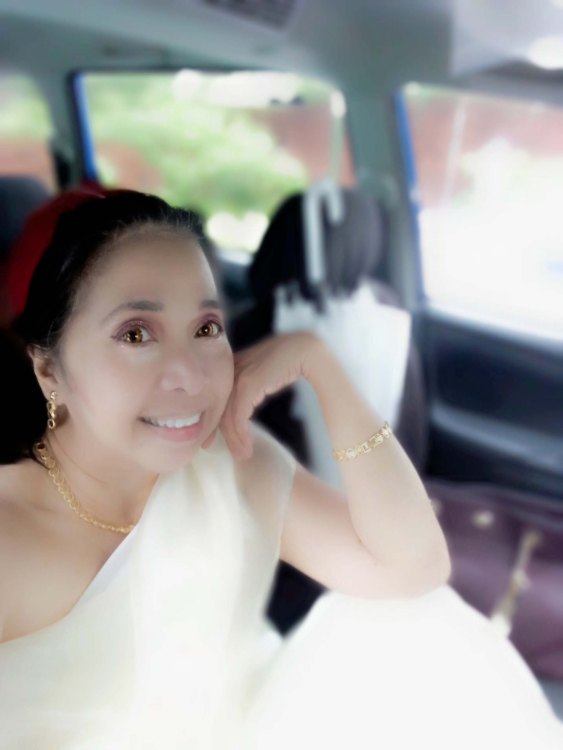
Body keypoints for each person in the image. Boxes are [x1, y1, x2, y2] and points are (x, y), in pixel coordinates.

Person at [0, 188, 561, 750]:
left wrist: (321, 365)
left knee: (419, 632)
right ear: (49, 371)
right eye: (136, 334)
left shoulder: (230, 467)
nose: (189, 376)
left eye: (206, 329)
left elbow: (413, 571)